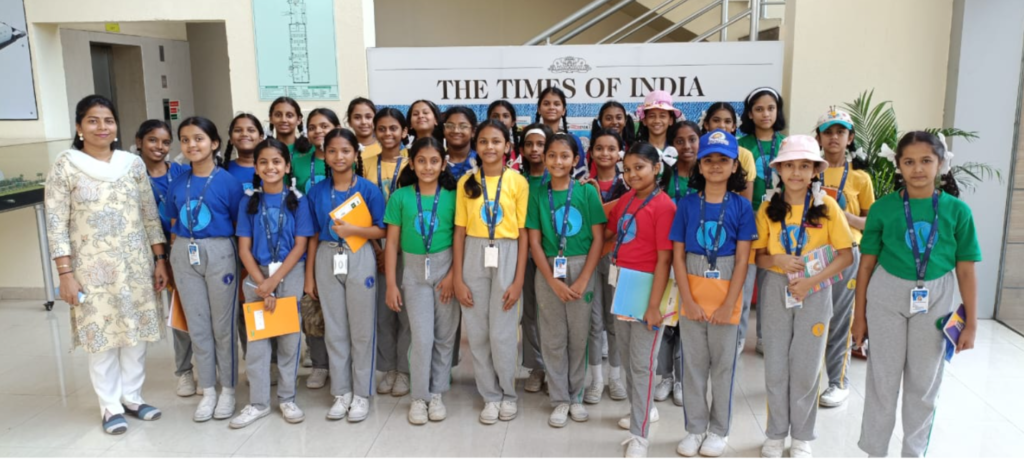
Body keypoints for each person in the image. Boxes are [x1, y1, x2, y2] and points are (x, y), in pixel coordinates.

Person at [852, 131, 979, 457]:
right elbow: (865, 266)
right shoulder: (883, 208)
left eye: (926, 161)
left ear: (941, 163)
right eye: (909, 162)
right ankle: (875, 451)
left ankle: (914, 452)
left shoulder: (958, 211)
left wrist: (972, 323)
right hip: (886, 295)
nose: (918, 169)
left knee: (924, 382)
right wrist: (859, 316)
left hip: (936, 297)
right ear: (899, 165)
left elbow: (966, 270)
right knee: (883, 380)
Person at [47, 95, 169, 434]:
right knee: (101, 335)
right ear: (79, 127)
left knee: (136, 333)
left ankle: (133, 397)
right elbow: (56, 223)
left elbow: (149, 215)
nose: (102, 127)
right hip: (91, 270)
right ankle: (110, 405)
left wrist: (160, 259)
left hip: (135, 264)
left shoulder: (132, 164)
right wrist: (65, 273)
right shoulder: (66, 165)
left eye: (108, 120)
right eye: (93, 120)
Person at [752, 135, 854, 458]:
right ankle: (775, 434)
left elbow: (846, 255)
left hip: (816, 291)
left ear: (814, 171)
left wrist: (812, 282)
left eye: (804, 166)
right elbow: (757, 257)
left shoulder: (828, 207)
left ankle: (802, 437)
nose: (796, 172)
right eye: (790, 166)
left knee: (807, 367)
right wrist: (778, 259)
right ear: (779, 170)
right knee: (776, 366)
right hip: (776, 289)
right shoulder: (768, 208)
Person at [669, 130, 756, 457]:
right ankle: (694, 429)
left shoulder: (742, 207)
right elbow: (678, 256)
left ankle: (719, 430)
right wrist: (688, 300)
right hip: (692, 285)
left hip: (727, 286)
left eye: (723, 159)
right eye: (709, 160)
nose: (716, 165)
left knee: (723, 367)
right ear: (699, 166)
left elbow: (744, 260)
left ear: (735, 166)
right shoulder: (687, 204)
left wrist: (729, 304)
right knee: (692, 365)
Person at [231, 138, 313, 428]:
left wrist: (274, 282)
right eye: (263, 162)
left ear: (287, 166)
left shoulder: (299, 201)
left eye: (277, 161)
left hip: (289, 273)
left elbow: (301, 245)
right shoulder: (248, 202)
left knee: (289, 341)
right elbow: (244, 249)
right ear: (255, 167)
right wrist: (262, 283)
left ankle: (288, 398)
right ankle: (258, 403)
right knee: (257, 343)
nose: (270, 167)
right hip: (257, 274)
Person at [306, 128, 387, 422]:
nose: (338, 156)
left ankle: (362, 393)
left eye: (345, 150)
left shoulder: (368, 190)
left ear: (355, 154)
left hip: (359, 254)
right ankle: (341, 392)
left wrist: (354, 230)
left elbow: (382, 230)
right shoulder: (316, 191)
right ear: (324, 154)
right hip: (326, 256)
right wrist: (309, 276)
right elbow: (312, 235)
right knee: (335, 328)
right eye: (332, 151)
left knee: (362, 329)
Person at [526, 133, 607, 427]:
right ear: (544, 158)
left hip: (582, 267)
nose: (557, 161)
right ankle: (559, 399)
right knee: (553, 337)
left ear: (575, 160)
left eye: (564, 156)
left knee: (579, 336)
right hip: (548, 270)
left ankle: (576, 396)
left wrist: (584, 278)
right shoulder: (537, 194)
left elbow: (598, 239)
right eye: (552, 155)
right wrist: (552, 281)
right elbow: (534, 243)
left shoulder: (586, 193)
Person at [452, 120, 529, 425]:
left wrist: (518, 280)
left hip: (508, 253)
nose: (489, 147)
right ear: (476, 146)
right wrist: (458, 278)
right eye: (483, 141)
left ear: (507, 146)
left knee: (502, 332)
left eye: (496, 141)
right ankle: (490, 395)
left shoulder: (518, 182)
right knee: (478, 331)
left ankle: (508, 393)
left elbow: (523, 234)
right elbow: (459, 232)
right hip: (474, 253)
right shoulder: (466, 182)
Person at [606, 142, 677, 458]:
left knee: (642, 363)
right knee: (626, 356)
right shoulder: (626, 200)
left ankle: (640, 436)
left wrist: (653, 306)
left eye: (640, 167)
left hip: (649, 289)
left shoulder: (664, 206)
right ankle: (644, 409)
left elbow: (664, 260)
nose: (632, 174)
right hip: (623, 285)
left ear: (656, 168)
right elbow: (610, 229)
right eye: (627, 169)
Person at [384, 137, 459, 425]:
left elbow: (460, 239)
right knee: (422, 337)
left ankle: (437, 393)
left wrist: (452, 275)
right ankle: (419, 396)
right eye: (421, 161)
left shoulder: (453, 196)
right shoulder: (400, 197)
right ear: (412, 164)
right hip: (413, 274)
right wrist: (392, 284)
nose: (428, 166)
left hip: (445, 271)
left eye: (434, 161)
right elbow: (392, 244)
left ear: (443, 164)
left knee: (444, 337)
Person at [812, 108, 875, 408]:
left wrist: (840, 215)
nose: (834, 137)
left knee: (840, 318)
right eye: (828, 132)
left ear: (850, 138)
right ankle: (807, 378)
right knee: (812, 317)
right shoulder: (810, 171)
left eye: (840, 132)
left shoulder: (861, 178)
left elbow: (870, 223)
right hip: (814, 254)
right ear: (819, 138)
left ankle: (838, 382)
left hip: (847, 253)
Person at [136, 120, 196, 398]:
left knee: (195, 311)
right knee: (177, 314)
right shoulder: (132, 176)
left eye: (165, 142)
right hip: (149, 252)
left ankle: (207, 368)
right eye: (152, 140)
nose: (159, 147)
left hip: (183, 248)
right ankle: (184, 372)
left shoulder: (182, 171)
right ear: (139, 142)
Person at [361, 108, 412, 397]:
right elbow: (359, 207)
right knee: (381, 312)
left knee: (404, 311)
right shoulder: (365, 162)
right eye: (382, 128)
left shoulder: (414, 162)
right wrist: (376, 248)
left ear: (404, 131)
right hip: (373, 244)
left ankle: (404, 369)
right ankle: (388, 368)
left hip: (408, 245)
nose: (388, 133)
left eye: (394, 128)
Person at [653, 120, 702, 406]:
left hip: (694, 255)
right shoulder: (663, 174)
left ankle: (683, 378)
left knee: (686, 319)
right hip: (664, 255)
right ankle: (666, 376)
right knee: (664, 316)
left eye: (692, 139)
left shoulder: (706, 175)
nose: (686, 146)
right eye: (679, 141)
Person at [737, 86, 788, 355]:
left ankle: (765, 339)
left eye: (770, 108)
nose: (765, 114)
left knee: (771, 287)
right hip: (748, 223)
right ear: (749, 113)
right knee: (743, 285)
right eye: (759, 109)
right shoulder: (740, 145)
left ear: (778, 111)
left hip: (779, 224)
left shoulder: (787, 145)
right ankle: (737, 339)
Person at [582, 128, 629, 404]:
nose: (605, 153)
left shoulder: (630, 185)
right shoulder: (583, 185)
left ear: (619, 153)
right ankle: (596, 380)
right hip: (590, 258)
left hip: (619, 260)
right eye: (599, 148)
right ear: (591, 152)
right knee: (594, 320)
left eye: (611, 148)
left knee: (615, 321)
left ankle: (615, 377)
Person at [518, 122, 553, 393]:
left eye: (540, 144)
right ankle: (537, 366)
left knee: (553, 312)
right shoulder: (515, 180)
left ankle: (556, 368)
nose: (534, 149)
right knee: (530, 312)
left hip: (552, 254)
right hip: (523, 255)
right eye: (529, 144)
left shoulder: (560, 179)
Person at [534, 87, 586, 178]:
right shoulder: (532, 139)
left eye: (556, 104)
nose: (551, 107)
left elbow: (580, 173)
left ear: (563, 110)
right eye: (546, 104)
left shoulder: (573, 140)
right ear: (539, 109)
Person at [223, 113, 264, 192]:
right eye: (238, 130)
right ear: (231, 139)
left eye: (251, 130)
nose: (244, 134)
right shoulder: (222, 171)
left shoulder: (272, 168)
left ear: (261, 138)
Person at [488, 99, 522, 170]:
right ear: (488, 120)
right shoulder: (484, 150)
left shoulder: (521, 152)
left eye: (505, 116)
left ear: (513, 122)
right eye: (495, 116)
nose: (501, 120)